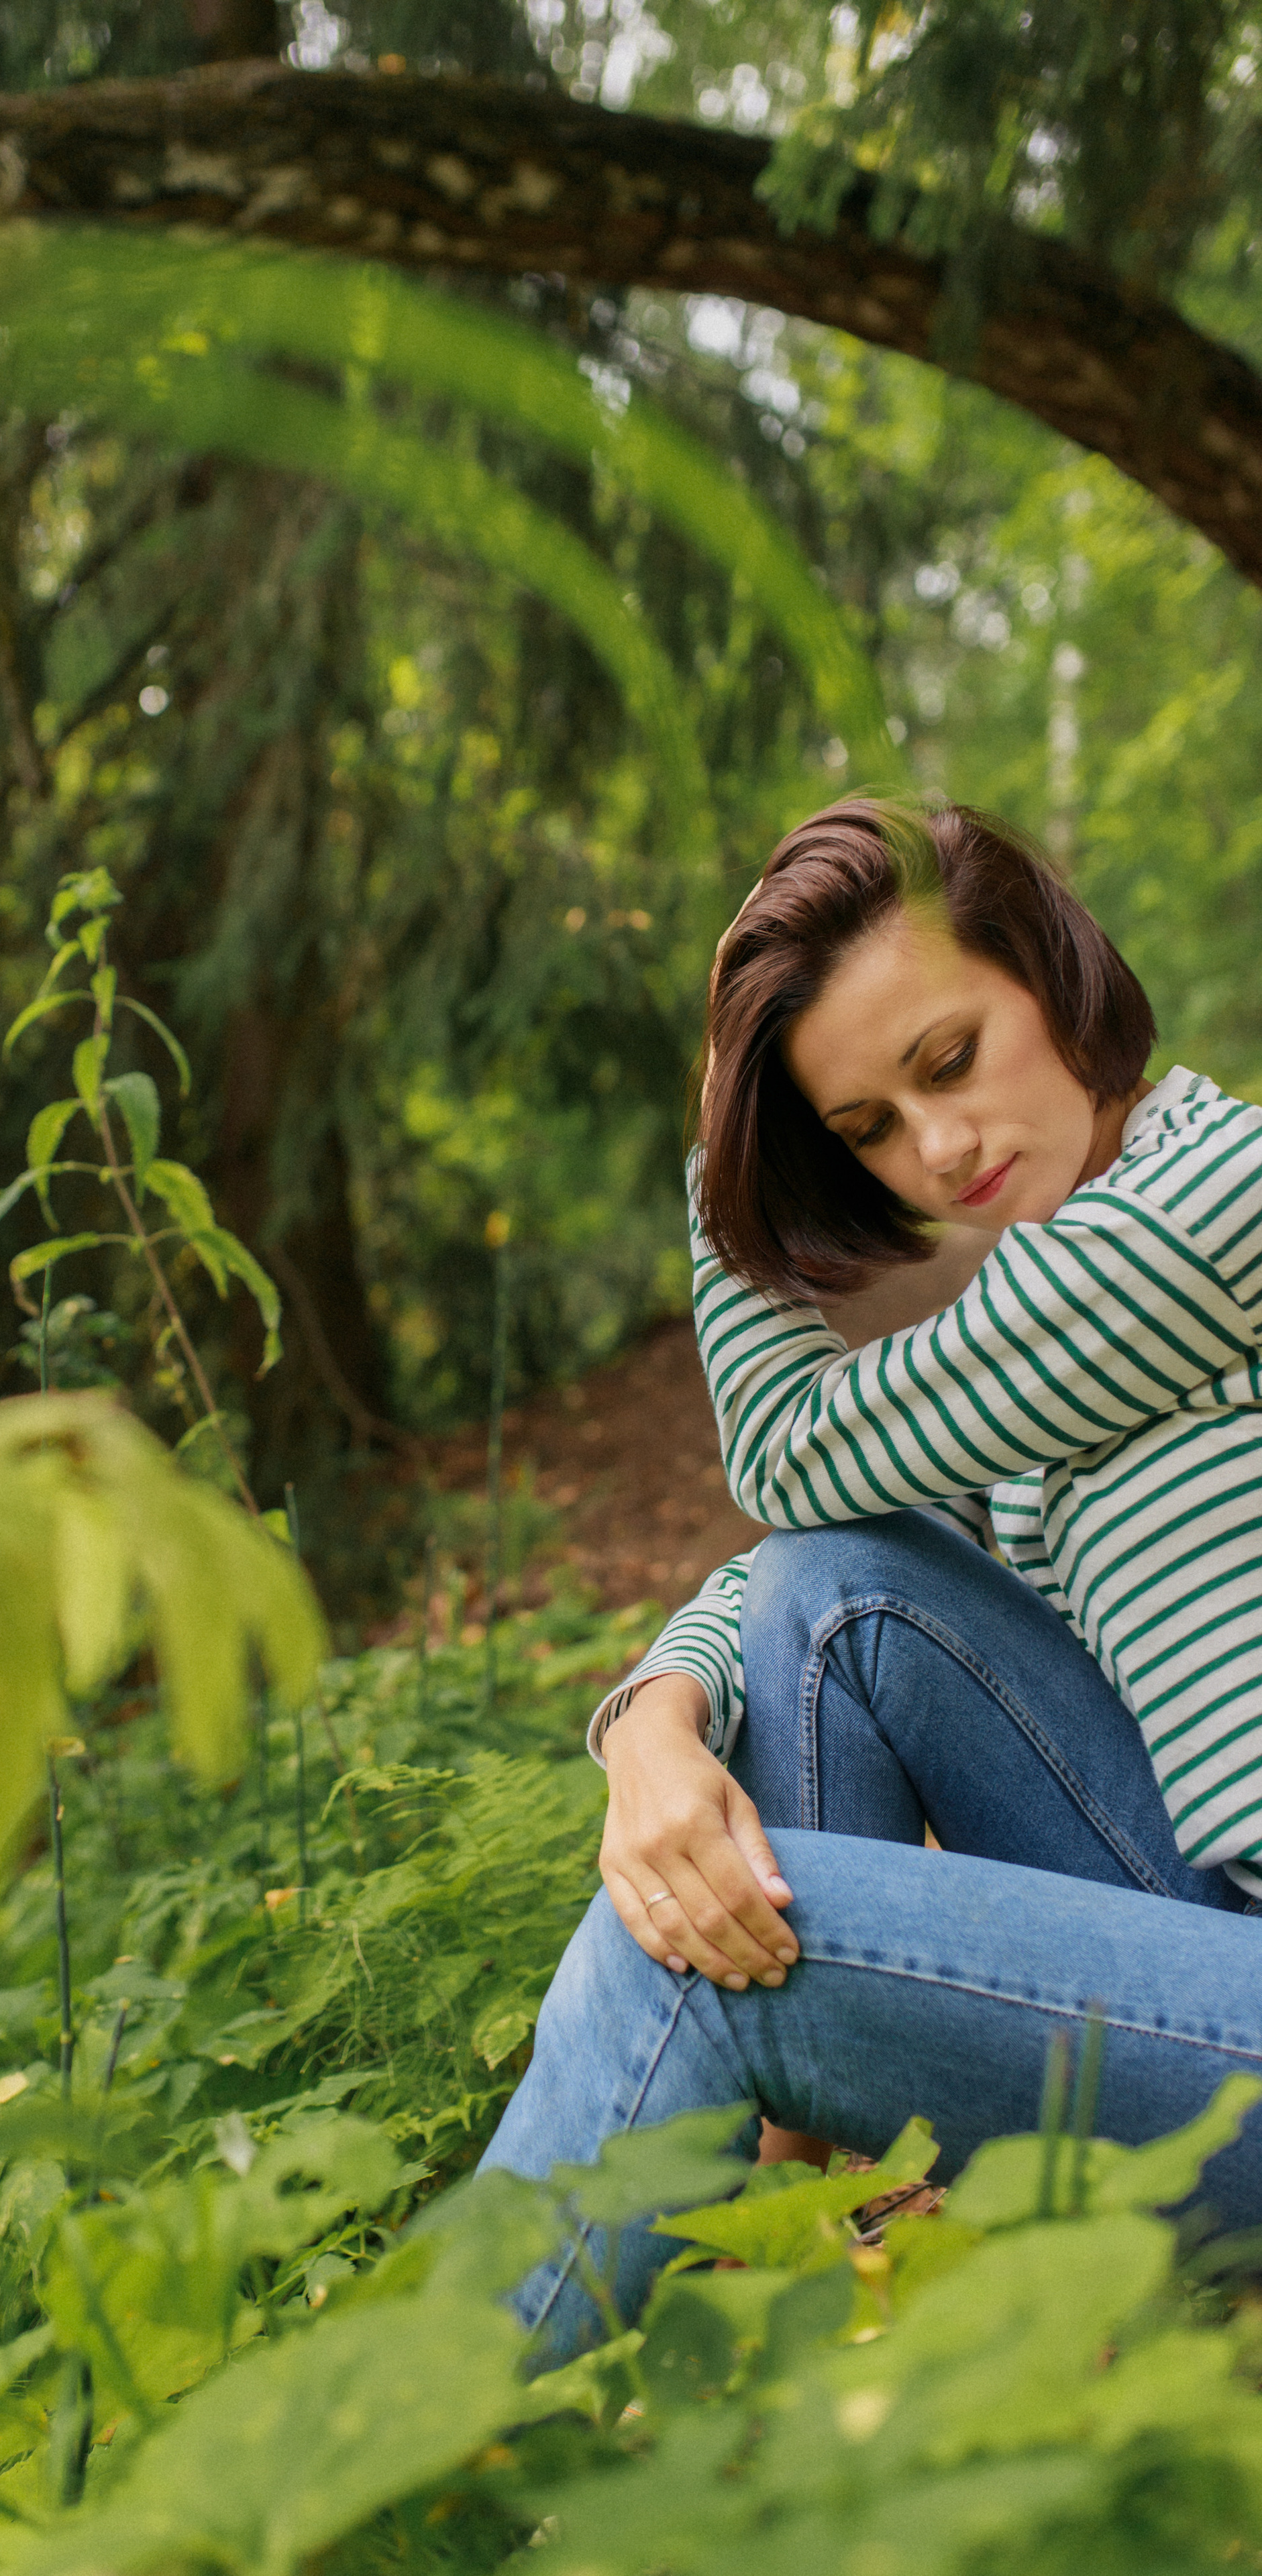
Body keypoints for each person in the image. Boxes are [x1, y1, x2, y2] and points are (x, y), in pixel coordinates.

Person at [479, 797, 1262, 2360]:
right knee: (829, 1594)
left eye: (947, 1059)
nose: (938, 1150)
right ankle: (772, 2256)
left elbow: (780, 1447)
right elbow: (811, 1566)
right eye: (863, 1133)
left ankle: (376, 2448)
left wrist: (726, 1118)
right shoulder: (1028, 1349)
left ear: (1051, 971)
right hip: (1201, 1932)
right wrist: (649, 1726)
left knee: (727, 1951)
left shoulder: (1210, 1209)